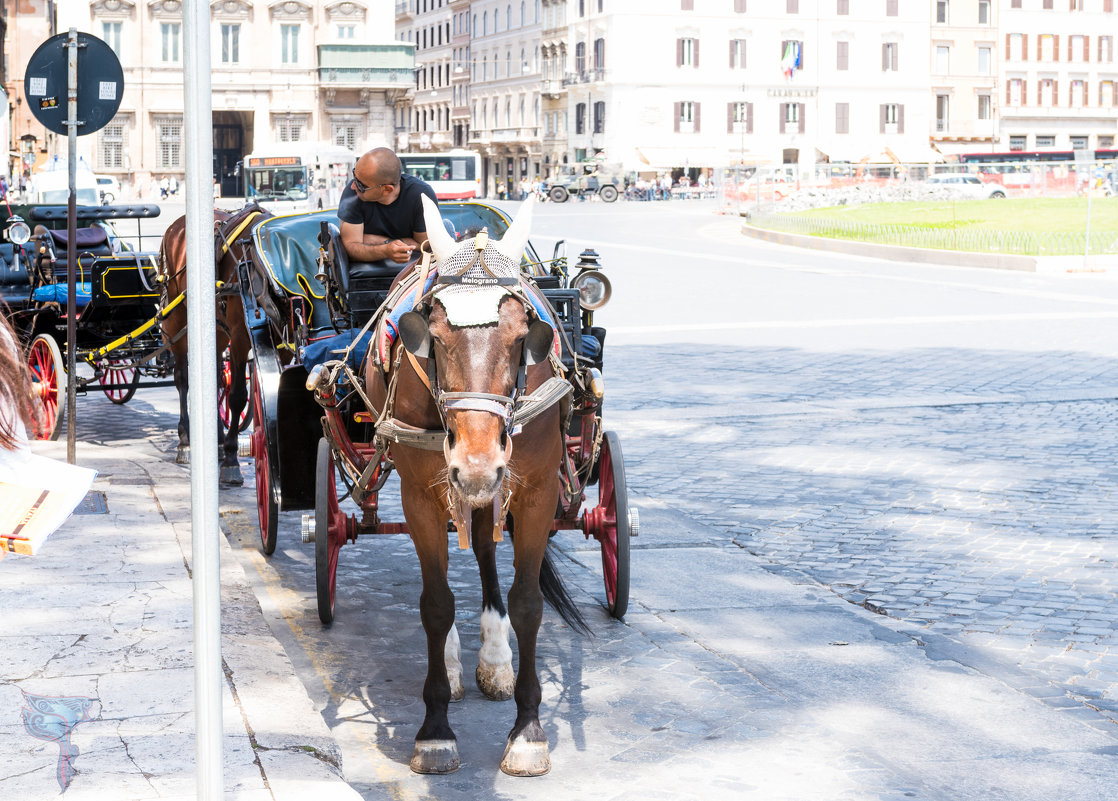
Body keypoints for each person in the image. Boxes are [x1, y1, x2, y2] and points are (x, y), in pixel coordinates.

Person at [337, 147, 438, 265]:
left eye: (361, 185)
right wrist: (386, 249)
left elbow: (424, 246)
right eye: (354, 175)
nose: (353, 186)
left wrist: (370, 240)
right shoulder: (352, 195)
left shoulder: (421, 195)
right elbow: (350, 247)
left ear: (387, 189)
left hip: (413, 272)